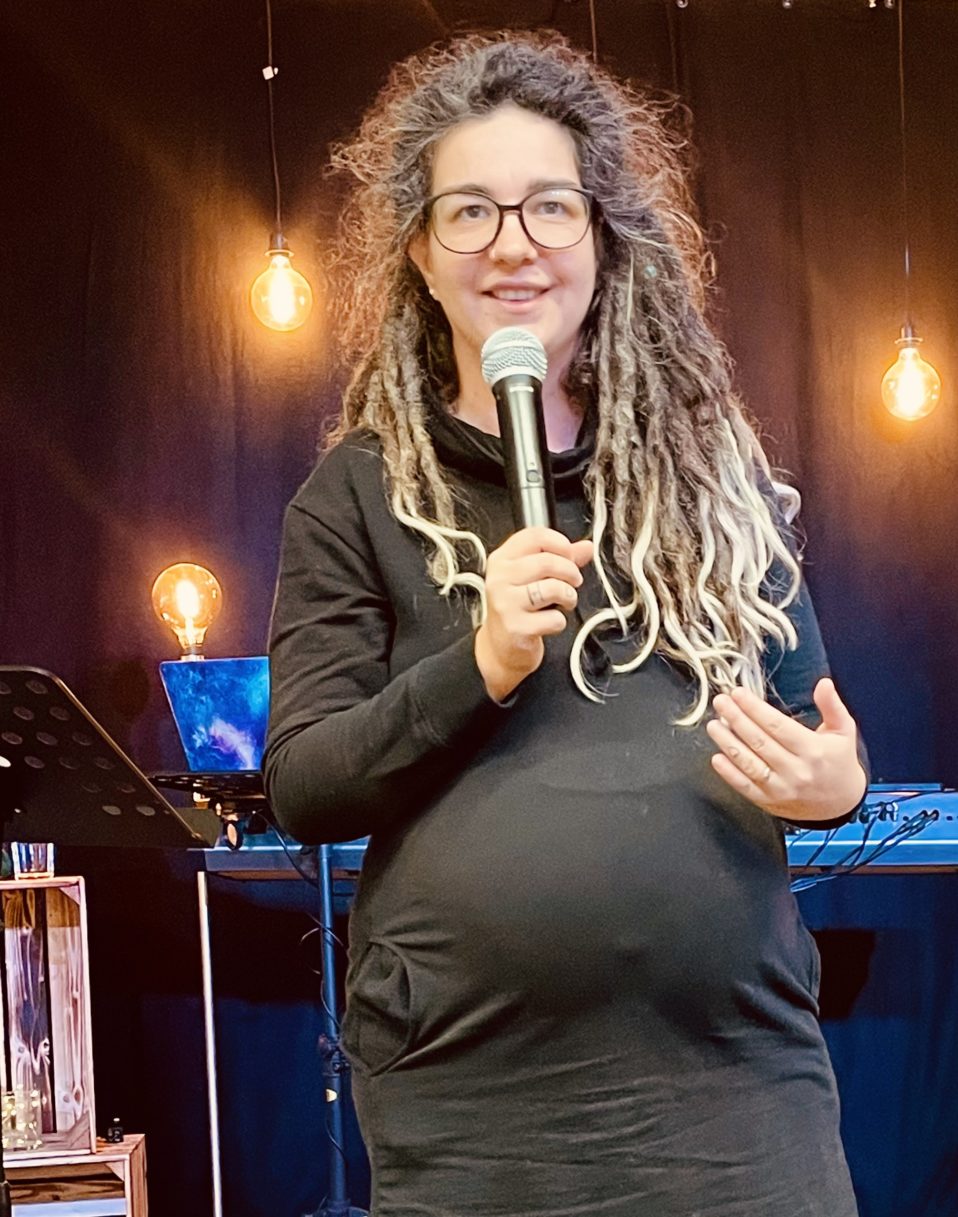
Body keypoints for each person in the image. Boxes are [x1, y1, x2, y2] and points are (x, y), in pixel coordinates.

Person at [263, 32, 867, 1217]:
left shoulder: (713, 481)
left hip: (735, 1103)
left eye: (550, 206)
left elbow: (817, 731)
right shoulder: (355, 494)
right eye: (470, 212)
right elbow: (306, 785)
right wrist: (479, 662)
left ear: (602, 236)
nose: (513, 244)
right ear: (419, 252)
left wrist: (832, 782)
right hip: (473, 1112)